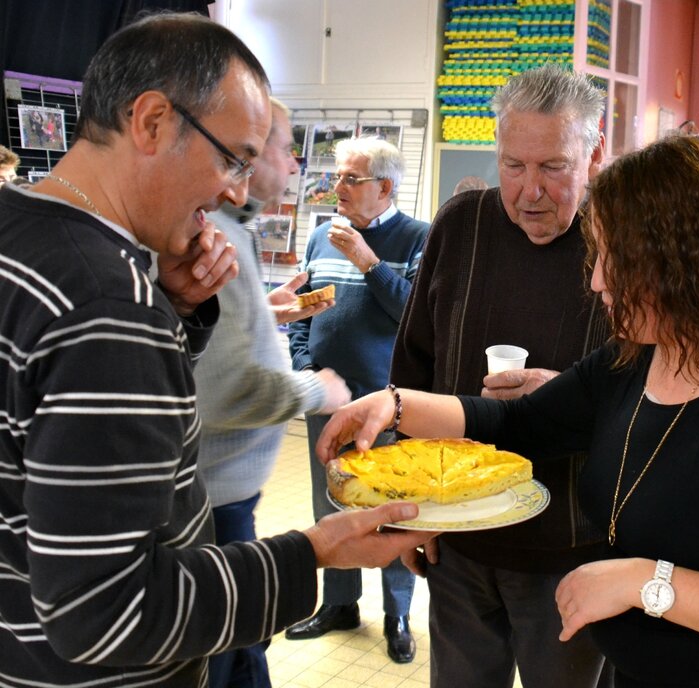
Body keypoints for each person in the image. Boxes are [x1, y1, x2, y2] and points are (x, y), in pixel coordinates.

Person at [0, 13, 434, 687]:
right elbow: (105, 612)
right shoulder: (107, 303)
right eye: (232, 157)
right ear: (150, 122)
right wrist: (310, 553)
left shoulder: (22, 234)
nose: (238, 190)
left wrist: (173, 314)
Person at [317, 133, 699, 687]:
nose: (597, 283)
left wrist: (643, 582)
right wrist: (395, 404)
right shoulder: (639, 359)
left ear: (682, 264)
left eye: (615, 262)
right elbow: (518, 424)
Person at [390, 65, 610, 687]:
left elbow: (654, 390)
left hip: (572, 555)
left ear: (593, 154)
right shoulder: (462, 225)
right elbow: (413, 366)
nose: (529, 191)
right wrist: (412, 512)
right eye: (513, 166)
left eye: (552, 168)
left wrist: (566, 398)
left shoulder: (623, 240)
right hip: (459, 541)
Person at [194, 96, 351, 688]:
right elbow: (228, 389)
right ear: (249, 152)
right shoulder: (222, 236)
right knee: (234, 651)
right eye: (285, 151)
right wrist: (318, 388)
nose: (294, 168)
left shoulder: (232, 230)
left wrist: (267, 310)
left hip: (228, 494)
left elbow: (215, 346)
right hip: (216, 499)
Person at [286, 136, 430, 663]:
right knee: (331, 506)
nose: (336, 187)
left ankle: (397, 616)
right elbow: (304, 309)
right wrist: (306, 371)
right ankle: (339, 605)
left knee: (392, 512)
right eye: (337, 176)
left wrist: (371, 263)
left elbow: (417, 318)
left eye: (351, 178)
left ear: (385, 187)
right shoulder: (322, 234)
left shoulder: (418, 237)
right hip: (325, 403)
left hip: (385, 407)